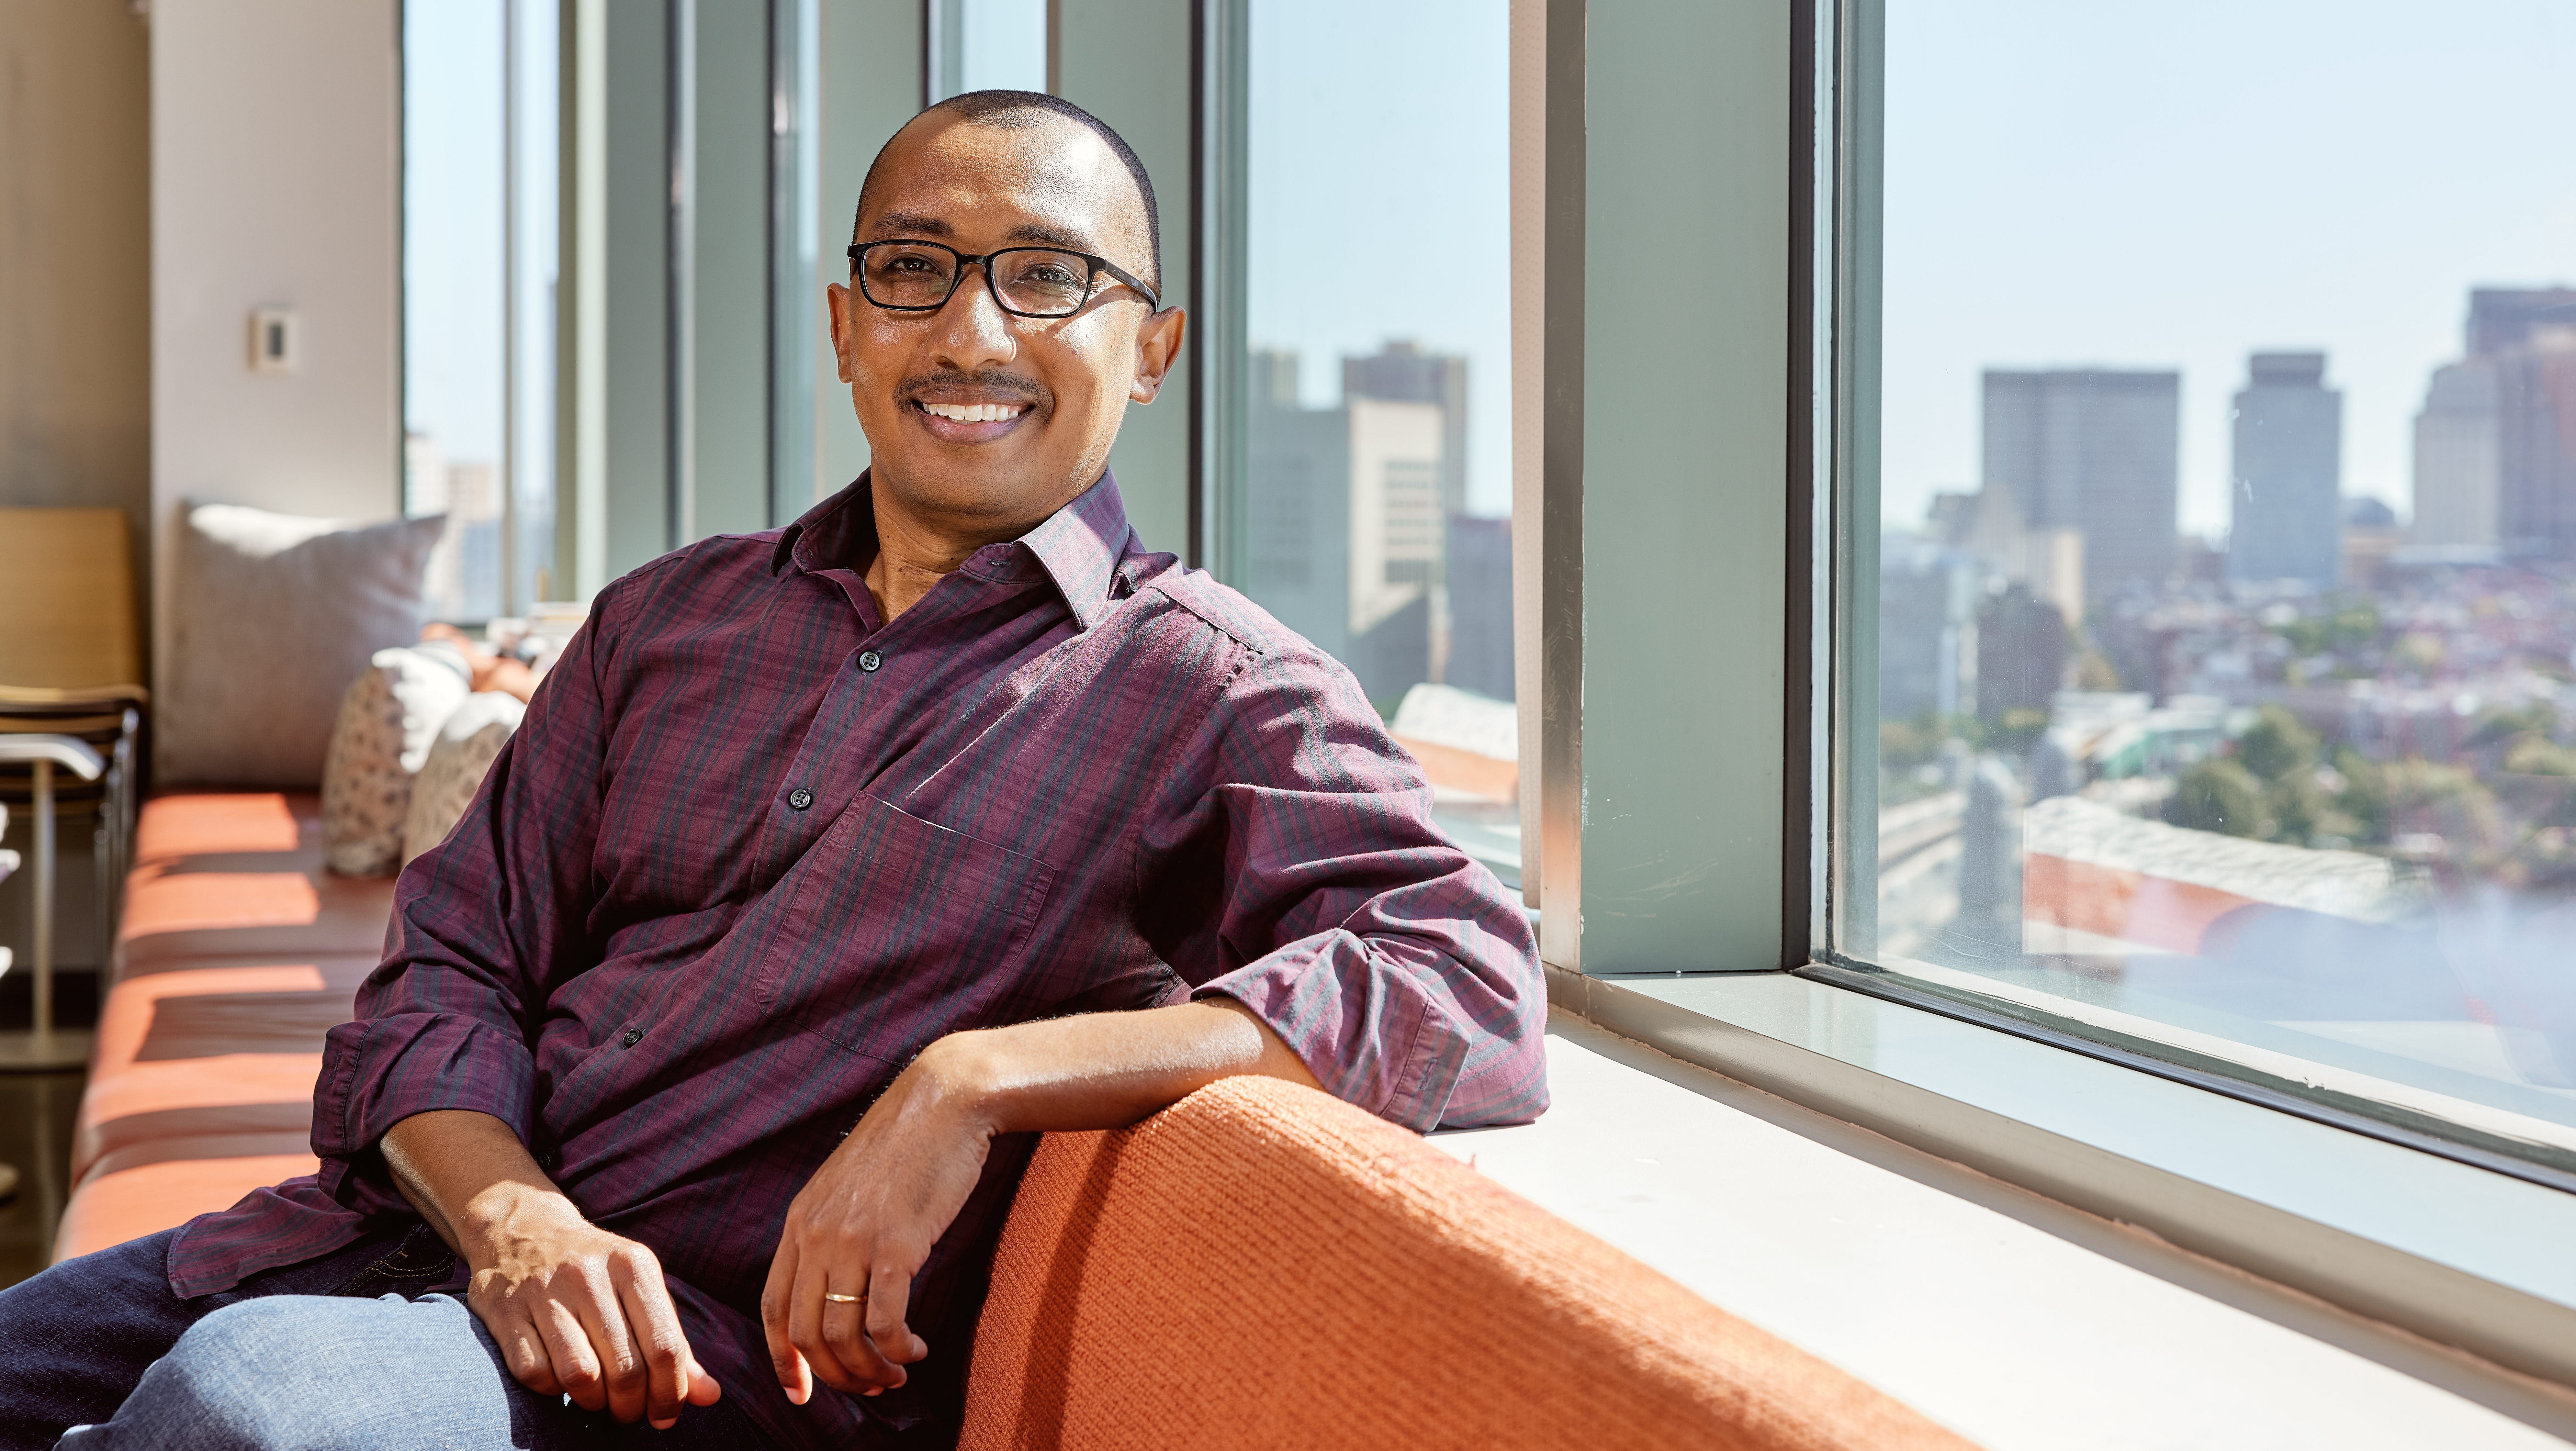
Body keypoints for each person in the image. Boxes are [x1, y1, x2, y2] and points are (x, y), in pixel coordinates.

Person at [0, 90, 1544, 1451]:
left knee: (253, 1409)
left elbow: (1468, 976)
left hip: (694, 1369)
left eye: (1048, 274)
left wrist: (972, 1078)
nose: (972, 331)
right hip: (386, 1241)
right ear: (844, 321)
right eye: (913, 268)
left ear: (1150, 349)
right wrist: (514, 1214)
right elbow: (448, 969)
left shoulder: (1205, 685)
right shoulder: (667, 617)